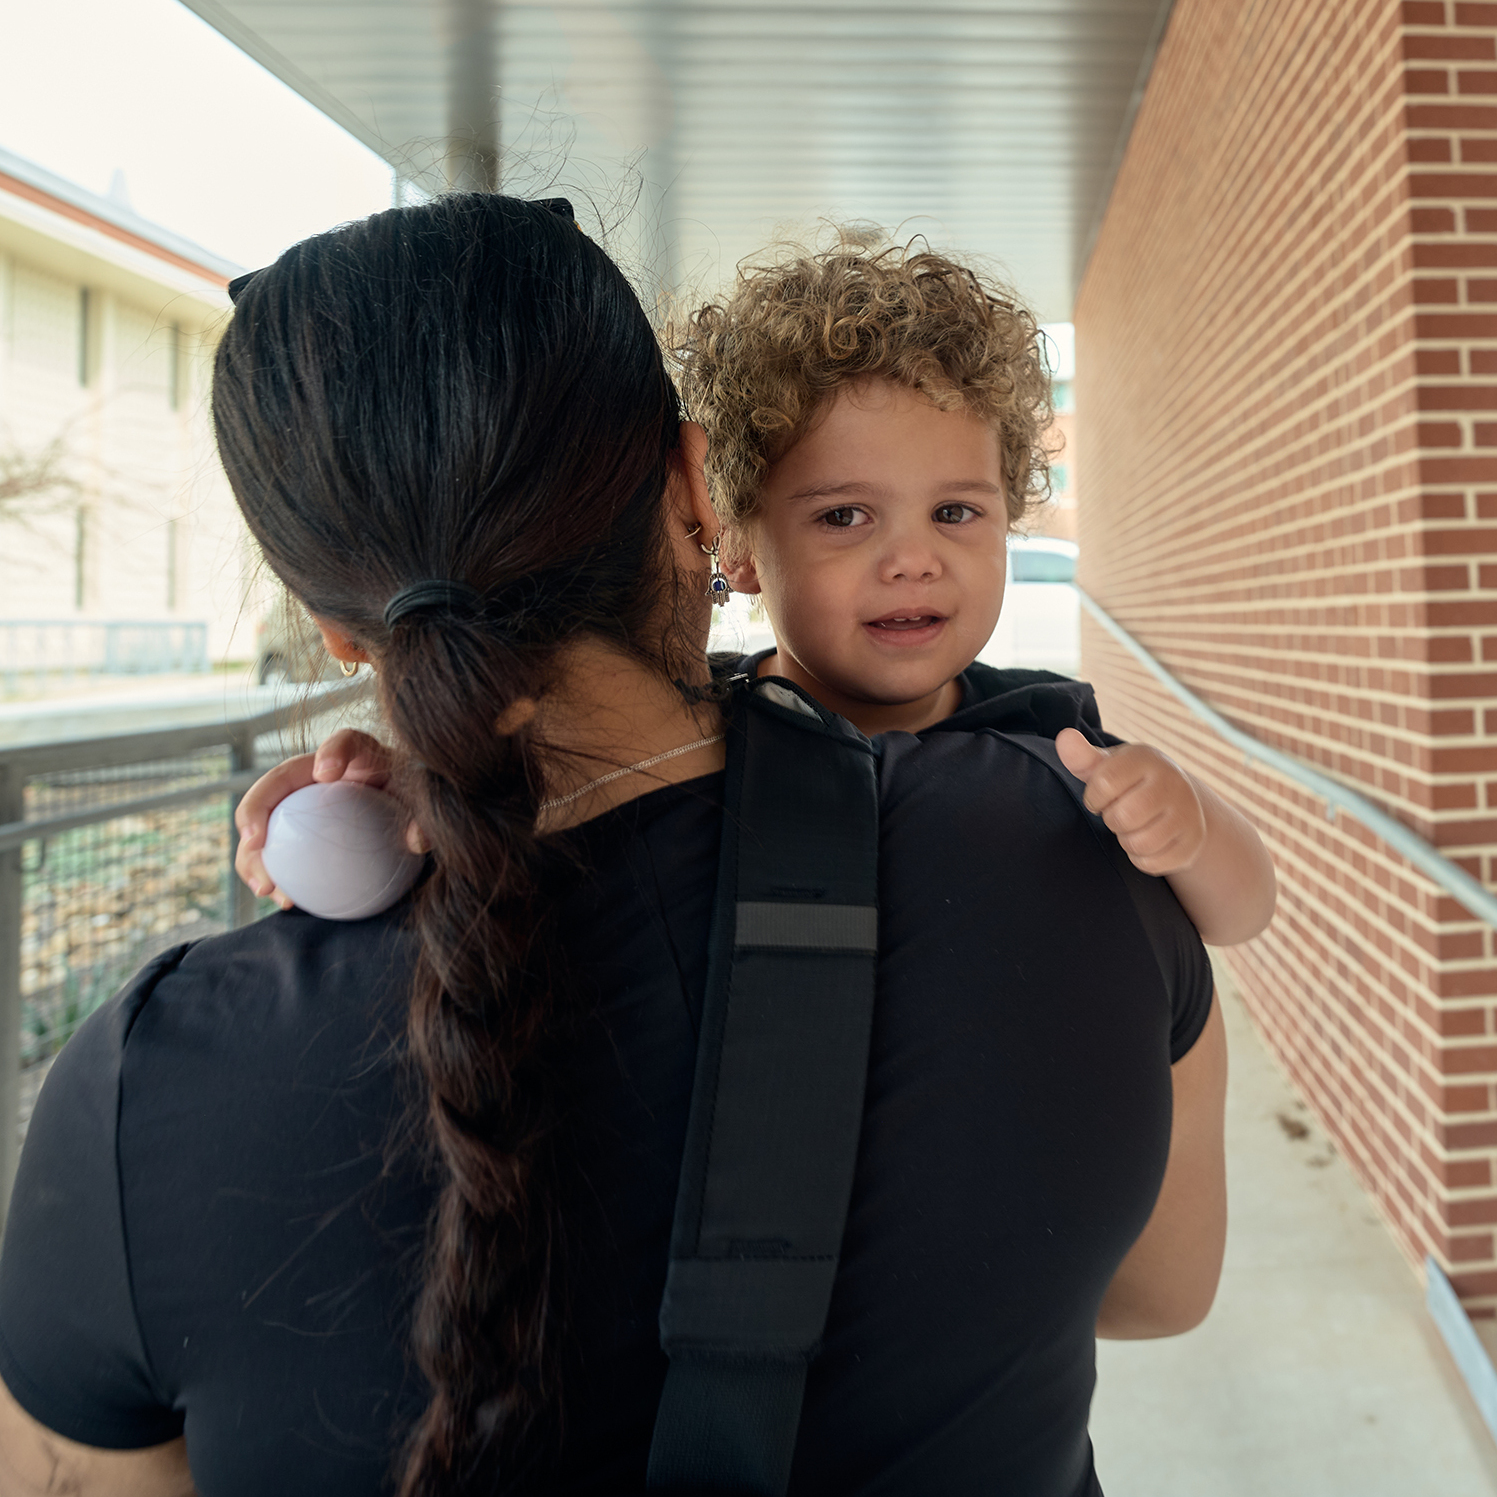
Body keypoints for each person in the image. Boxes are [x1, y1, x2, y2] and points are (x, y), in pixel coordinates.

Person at [0, 194, 1227, 1497]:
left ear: (341, 631)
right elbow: (1160, 1286)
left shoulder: (149, 1088)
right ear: (699, 488)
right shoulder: (1082, 841)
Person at [667, 236, 1276, 947]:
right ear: (739, 547)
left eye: (953, 513)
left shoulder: (1048, 734)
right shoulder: (691, 733)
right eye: (843, 516)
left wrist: (1189, 825)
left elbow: (1242, 914)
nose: (913, 560)